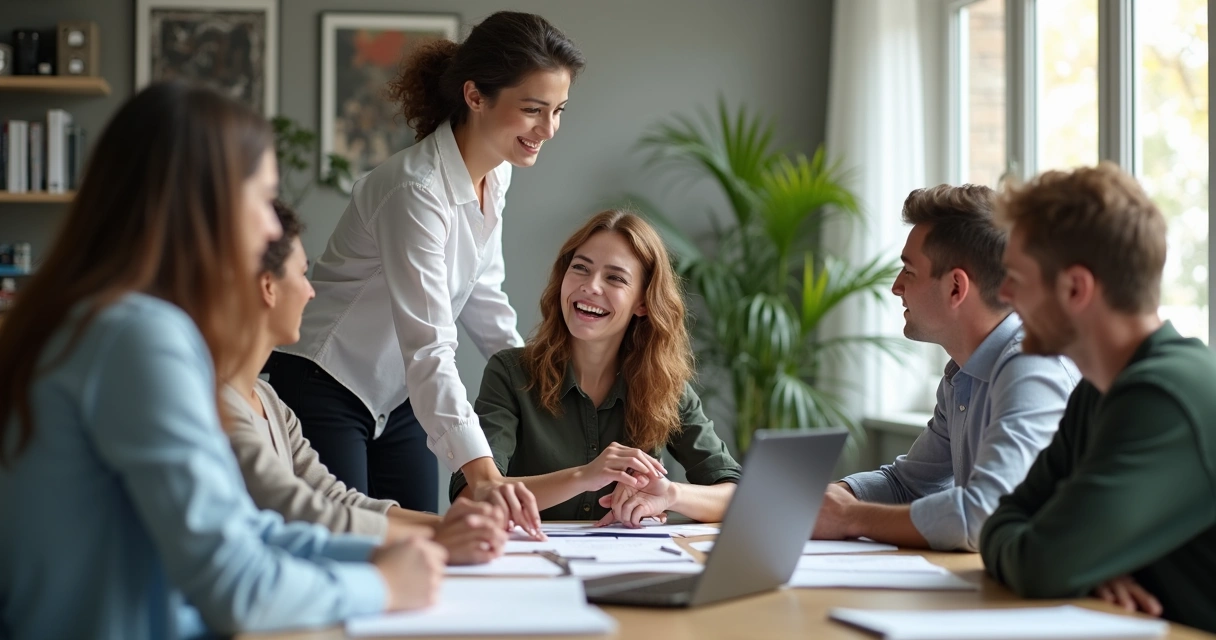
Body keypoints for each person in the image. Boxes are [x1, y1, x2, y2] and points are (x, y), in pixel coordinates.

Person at [0, 82, 445, 640]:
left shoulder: (91, 321)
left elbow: (243, 531)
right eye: (262, 199)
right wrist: (383, 586)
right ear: (203, 204)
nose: (269, 229)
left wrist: (393, 549)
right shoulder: (138, 338)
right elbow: (236, 585)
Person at [266, 11, 585, 532]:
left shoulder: (496, 174)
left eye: (558, 111)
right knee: (353, 547)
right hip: (324, 380)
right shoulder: (415, 191)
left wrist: (540, 386)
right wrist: (483, 475)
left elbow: (483, 297)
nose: (547, 130)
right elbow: (431, 344)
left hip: (400, 394)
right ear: (475, 96)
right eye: (532, 110)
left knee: (429, 547)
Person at [980, 163, 1216, 632]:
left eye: (1017, 279)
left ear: (1076, 288)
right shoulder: (1097, 390)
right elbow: (1004, 520)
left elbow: (1040, 563)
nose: (1004, 295)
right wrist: (1083, 565)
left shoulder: (1163, 397)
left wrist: (1069, 563)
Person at [225, 201, 506, 564]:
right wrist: (439, 534)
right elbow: (304, 511)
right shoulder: (220, 406)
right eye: (302, 274)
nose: (312, 293)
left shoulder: (271, 402)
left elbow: (336, 498)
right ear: (268, 286)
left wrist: (444, 523)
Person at [812, 185, 1078, 551]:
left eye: (908, 271)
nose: (895, 287)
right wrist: (832, 497)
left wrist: (849, 517)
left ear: (956, 287)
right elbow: (908, 485)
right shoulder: (962, 375)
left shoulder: (1032, 367)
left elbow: (983, 515)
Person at [451, 210, 741, 525]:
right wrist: (583, 477)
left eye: (614, 277)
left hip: (626, 569)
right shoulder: (510, 373)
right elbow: (472, 496)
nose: (591, 286)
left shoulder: (666, 388)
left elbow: (739, 496)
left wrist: (671, 495)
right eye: (580, 268)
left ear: (642, 303)